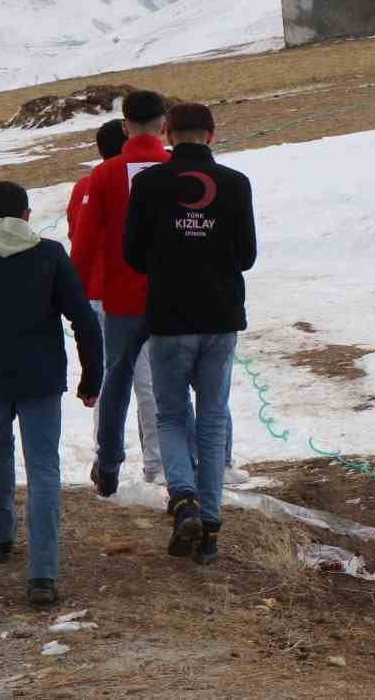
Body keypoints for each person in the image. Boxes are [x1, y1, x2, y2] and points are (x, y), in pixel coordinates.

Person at [0, 181, 103, 608]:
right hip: (42, 378)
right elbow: (83, 319)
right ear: (28, 216)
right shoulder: (49, 255)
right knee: (44, 468)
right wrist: (91, 380)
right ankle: (43, 575)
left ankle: (0, 536)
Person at [124, 102, 257, 564]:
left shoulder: (147, 184)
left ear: (167, 134)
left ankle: (183, 501)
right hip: (220, 317)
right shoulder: (237, 184)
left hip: (169, 318)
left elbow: (134, 256)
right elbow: (246, 256)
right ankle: (213, 527)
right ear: (212, 135)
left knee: (171, 417)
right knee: (214, 415)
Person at [72, 90, 173, 498]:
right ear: (163, 125)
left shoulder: (106, 174)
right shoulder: (178, 166)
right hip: (175, 297)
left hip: (122, 299)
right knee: (168, 384)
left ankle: (109, 465)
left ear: (126, 125)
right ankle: (169, 467)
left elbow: (83, 242)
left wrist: (75, 297)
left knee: (117, 381)